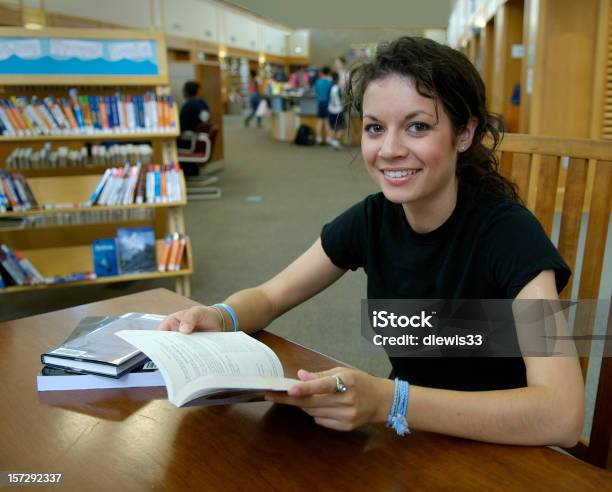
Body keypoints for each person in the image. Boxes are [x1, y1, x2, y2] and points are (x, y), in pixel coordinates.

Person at [160, 37, 584, 447]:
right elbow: (271, 296)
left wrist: (390, 399)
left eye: (418, 126)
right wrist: (221, 316)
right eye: (375, 128)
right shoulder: (372, 218)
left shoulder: (509, 234)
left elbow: (561, 416)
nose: (390, 149)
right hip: (413, 440)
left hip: (502, 451)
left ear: (464, 133)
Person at [313, 66, 333, 145]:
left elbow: (316, 92)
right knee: (327, 121)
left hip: (320, 102)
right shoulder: (330, 82)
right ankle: (328, 138)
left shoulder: (317, 82)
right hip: (327, 103)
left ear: (322, 72)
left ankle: (318, 138)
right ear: (329, 73)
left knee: (320, 121)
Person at [326, 71, 345, 150]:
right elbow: (340, 99)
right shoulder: (338, 88)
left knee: (332, 127)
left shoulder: (330, 87)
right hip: (338, 110)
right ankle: (335, 142)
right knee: (341, 127)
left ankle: (333, 141)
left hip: (331, 109)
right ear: (338, 79)